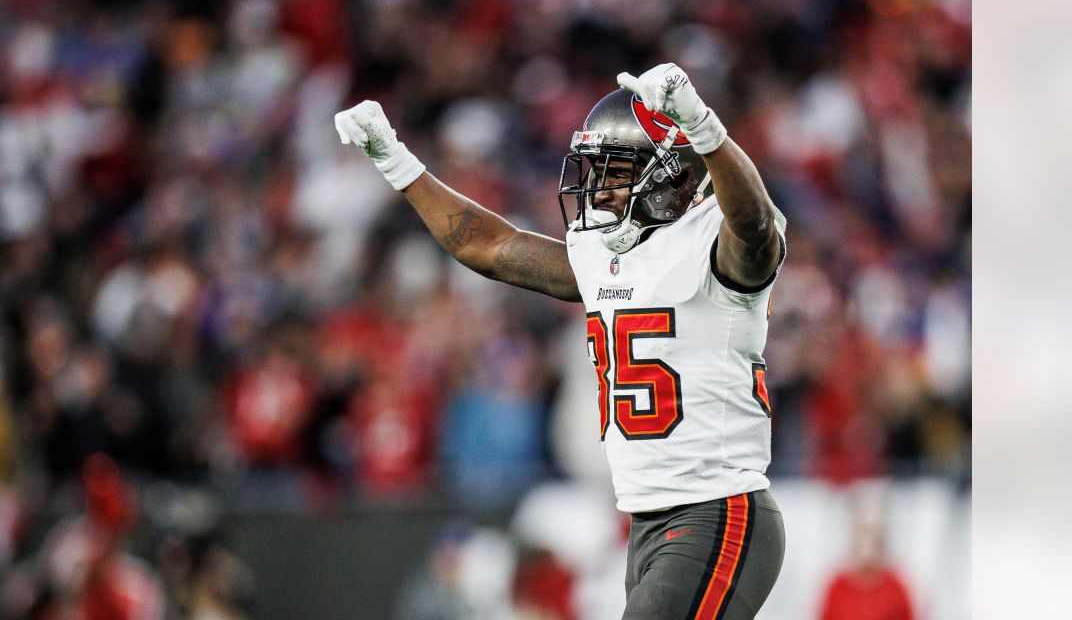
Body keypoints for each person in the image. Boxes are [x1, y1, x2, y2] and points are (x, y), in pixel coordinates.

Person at [335, 63, 787, 619]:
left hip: (718, 509)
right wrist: (396, 160)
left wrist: (703, 129)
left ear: (671, 176)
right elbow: (491, 247)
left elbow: (756, 227)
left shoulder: (713, 244)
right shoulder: (608, 256)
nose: (598, 188)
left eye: (616, 171)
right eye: (595, 170)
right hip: (648, 519)